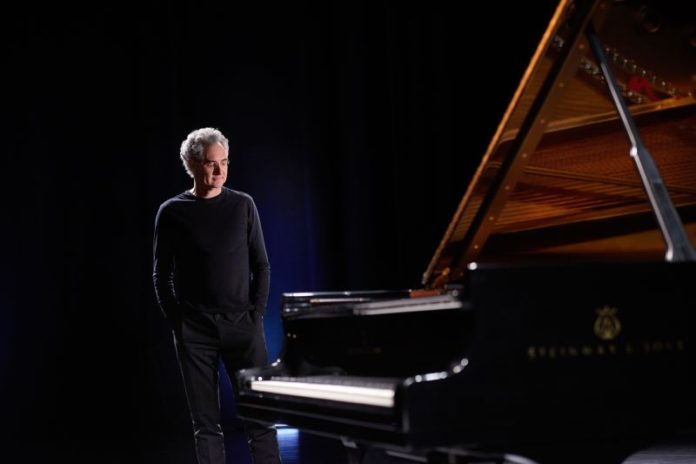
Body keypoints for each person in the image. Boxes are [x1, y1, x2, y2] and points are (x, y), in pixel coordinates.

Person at [153, 127, 281, 464]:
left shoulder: (243, 205)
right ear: (193, 164)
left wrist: (255, 316)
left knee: (260, 418)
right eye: (212, 163)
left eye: (224, 162)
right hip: (195, 331)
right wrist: (179, 322)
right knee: (206, 425)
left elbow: (262, 265)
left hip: (242, 325)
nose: (220, 170)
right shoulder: (172, 211)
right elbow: (161, 274)